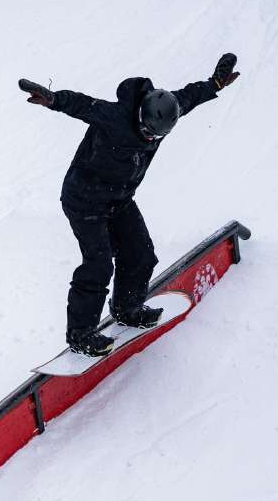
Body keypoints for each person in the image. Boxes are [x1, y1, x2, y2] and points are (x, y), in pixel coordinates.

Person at [19, 53, 241, 356]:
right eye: (147, 132)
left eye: (157, 136)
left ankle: (127, 307)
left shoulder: (167, 110)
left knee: (141, 254)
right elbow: (82, 105)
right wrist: (53, 99)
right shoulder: (115, 117)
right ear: (140, 117)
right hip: (84, 201)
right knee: (98, 264)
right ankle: (80, 334)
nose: (150, 138)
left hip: (120, 199)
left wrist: (214, 83)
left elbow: (190, 96)